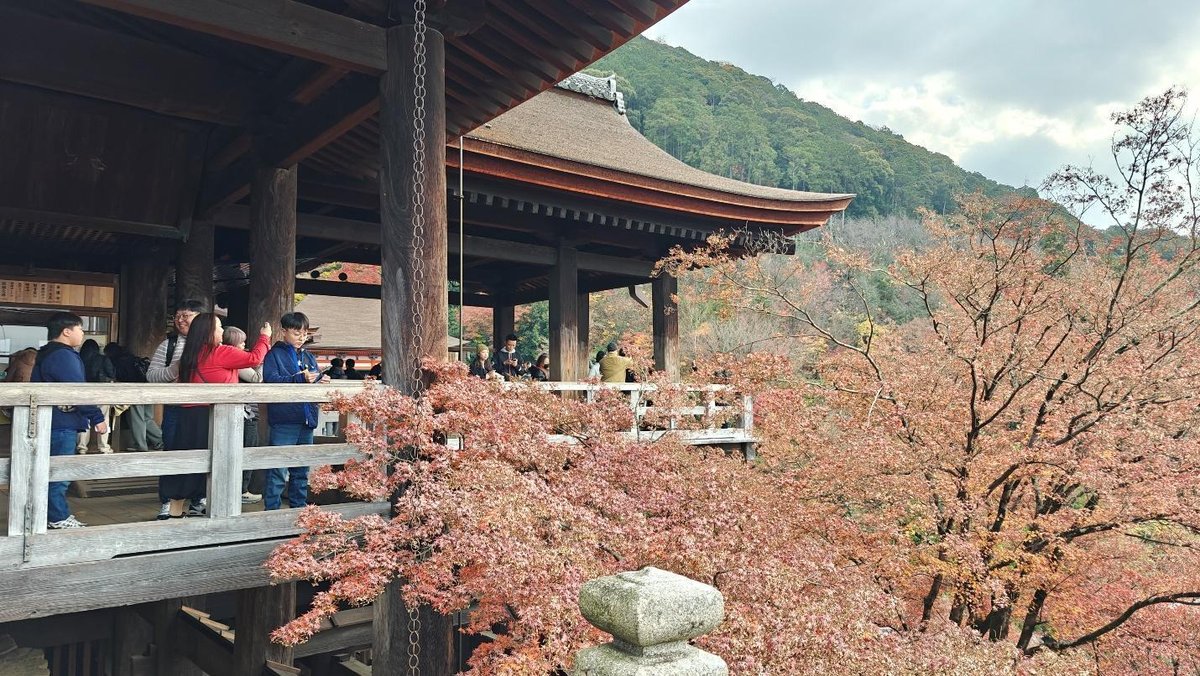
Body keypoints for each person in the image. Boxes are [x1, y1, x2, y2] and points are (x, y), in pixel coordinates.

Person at [162, 314, 270, 518]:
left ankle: (176, 515)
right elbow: (255, 358)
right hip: (215, 416)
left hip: (189, 416)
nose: (222, 331)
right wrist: (265, 336)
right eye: (219, 327)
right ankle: (219, 516)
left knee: (187, 466)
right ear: (208, 332)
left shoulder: (189, 354)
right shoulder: (221, 352)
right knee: (219, 465)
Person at [30, 313, 108, 529]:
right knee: (59, 474)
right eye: (80, 329)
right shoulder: (63, 356)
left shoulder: (47, 353)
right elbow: (77, 391)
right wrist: (97, 417)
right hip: (62, 423)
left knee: (48, 471)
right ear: (67, 331)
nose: (82, 333)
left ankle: (45, 516)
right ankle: (58, 517)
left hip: (51, 421)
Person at [262, 312, 329, 511]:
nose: (301, 337)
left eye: (304, 333)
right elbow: (271, 381)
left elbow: (311, 379)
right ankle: (271, 512)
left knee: (302, 469)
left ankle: (299, 510)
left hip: (306, 417)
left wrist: (319, 379)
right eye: (296, 333)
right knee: (278, 468)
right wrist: (299, 378)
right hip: (284, 419)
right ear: (284, 331)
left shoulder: (308, 356)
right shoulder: (274, 354)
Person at [148, 299, 205, 519]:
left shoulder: (211, 344)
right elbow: (151, 376)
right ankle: (167, 502)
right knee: (173, 453)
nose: (180, 320)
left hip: (203, 409)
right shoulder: (169, 345)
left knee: (203, 453)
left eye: (186, 316)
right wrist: (173, 370)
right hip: (176, 408)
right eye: (178, 316)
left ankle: (198, 499)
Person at [223, 326, 263, 504]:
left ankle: (237, 489)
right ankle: (241, 490)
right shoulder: (232, 357)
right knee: (247, 450)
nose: (244, 345)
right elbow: (257, 379)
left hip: (240, 413)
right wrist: (260, 364)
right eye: (242, 341)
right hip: (244, 414)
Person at [110, 343, 164, 452]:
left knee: (137, 419)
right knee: (147, 418)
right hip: (148, 389)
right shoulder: (133, 358)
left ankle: (140, 445)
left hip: (135, 392)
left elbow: (121, 377)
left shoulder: (119, 362)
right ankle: (160, 441)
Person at [77, 339, 116, 455]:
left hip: (84, 394)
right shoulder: (103, 359)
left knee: (84, 421)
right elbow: (112, 374)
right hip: (101, 393)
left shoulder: (79, 360)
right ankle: (103, 447)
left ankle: (81, 447)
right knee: (103, 419)